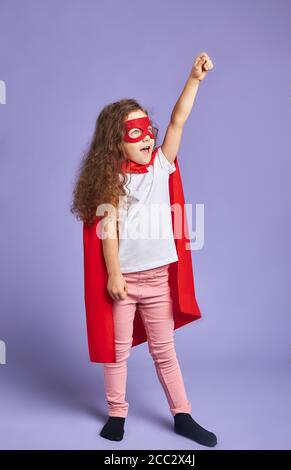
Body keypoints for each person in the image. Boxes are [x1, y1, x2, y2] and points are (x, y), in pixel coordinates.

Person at [71, 52, 217, 447]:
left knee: (164, 350)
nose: (148, 137)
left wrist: (194, 79)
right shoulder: (111, 182)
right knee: (117, 352)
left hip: (157, 281)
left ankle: (182, 414)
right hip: (126, 282)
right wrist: (115, 274)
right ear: (115, 142)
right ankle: (117, 412)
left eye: (147, 129)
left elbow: (178, 120)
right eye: (136, 133)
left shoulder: (160, 166)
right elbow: (108, 232)